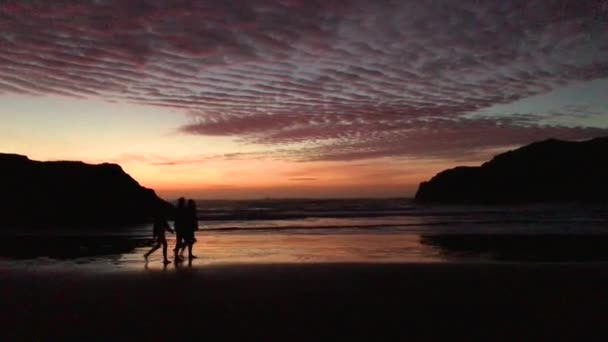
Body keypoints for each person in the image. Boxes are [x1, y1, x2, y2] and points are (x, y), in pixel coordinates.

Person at [173, 197, 187, 262]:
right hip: (181, 227)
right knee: (182, 241)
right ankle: (177, 255)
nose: (184, 202)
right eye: (184, 201)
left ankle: (177, 254)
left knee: (179, 242)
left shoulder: (177, 209)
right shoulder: (181, 209)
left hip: (178, 227)